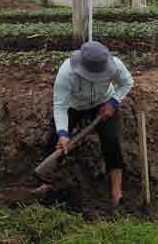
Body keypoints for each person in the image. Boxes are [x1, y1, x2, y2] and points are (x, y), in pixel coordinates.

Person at [49, 40, 134, 206]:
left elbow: (127, 82)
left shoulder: (115, 65)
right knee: (54, 140)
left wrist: (113, 102)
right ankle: (47, 181)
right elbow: (60, 106)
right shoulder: (66, 73)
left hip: (104, 104)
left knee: (112, 140)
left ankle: (116, 191)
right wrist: (63, 134)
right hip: (75, 105)